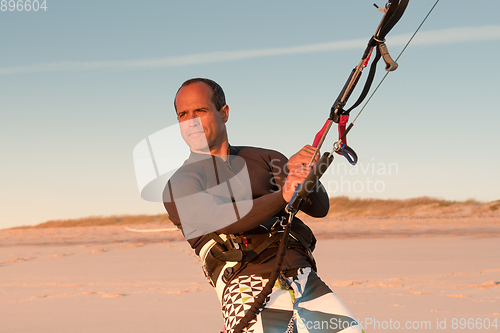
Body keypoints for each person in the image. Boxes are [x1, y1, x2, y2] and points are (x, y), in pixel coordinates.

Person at [163, 78, 364, 333]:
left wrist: (305, 174)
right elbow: (216, 216)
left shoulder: (266, 158)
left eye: (200, 110)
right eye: (183, 114)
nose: (191, 121)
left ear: (224, 113)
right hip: (244, 282)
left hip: (302, 276)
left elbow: (319, 207)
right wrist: (284, 194)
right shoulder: (181, 183)